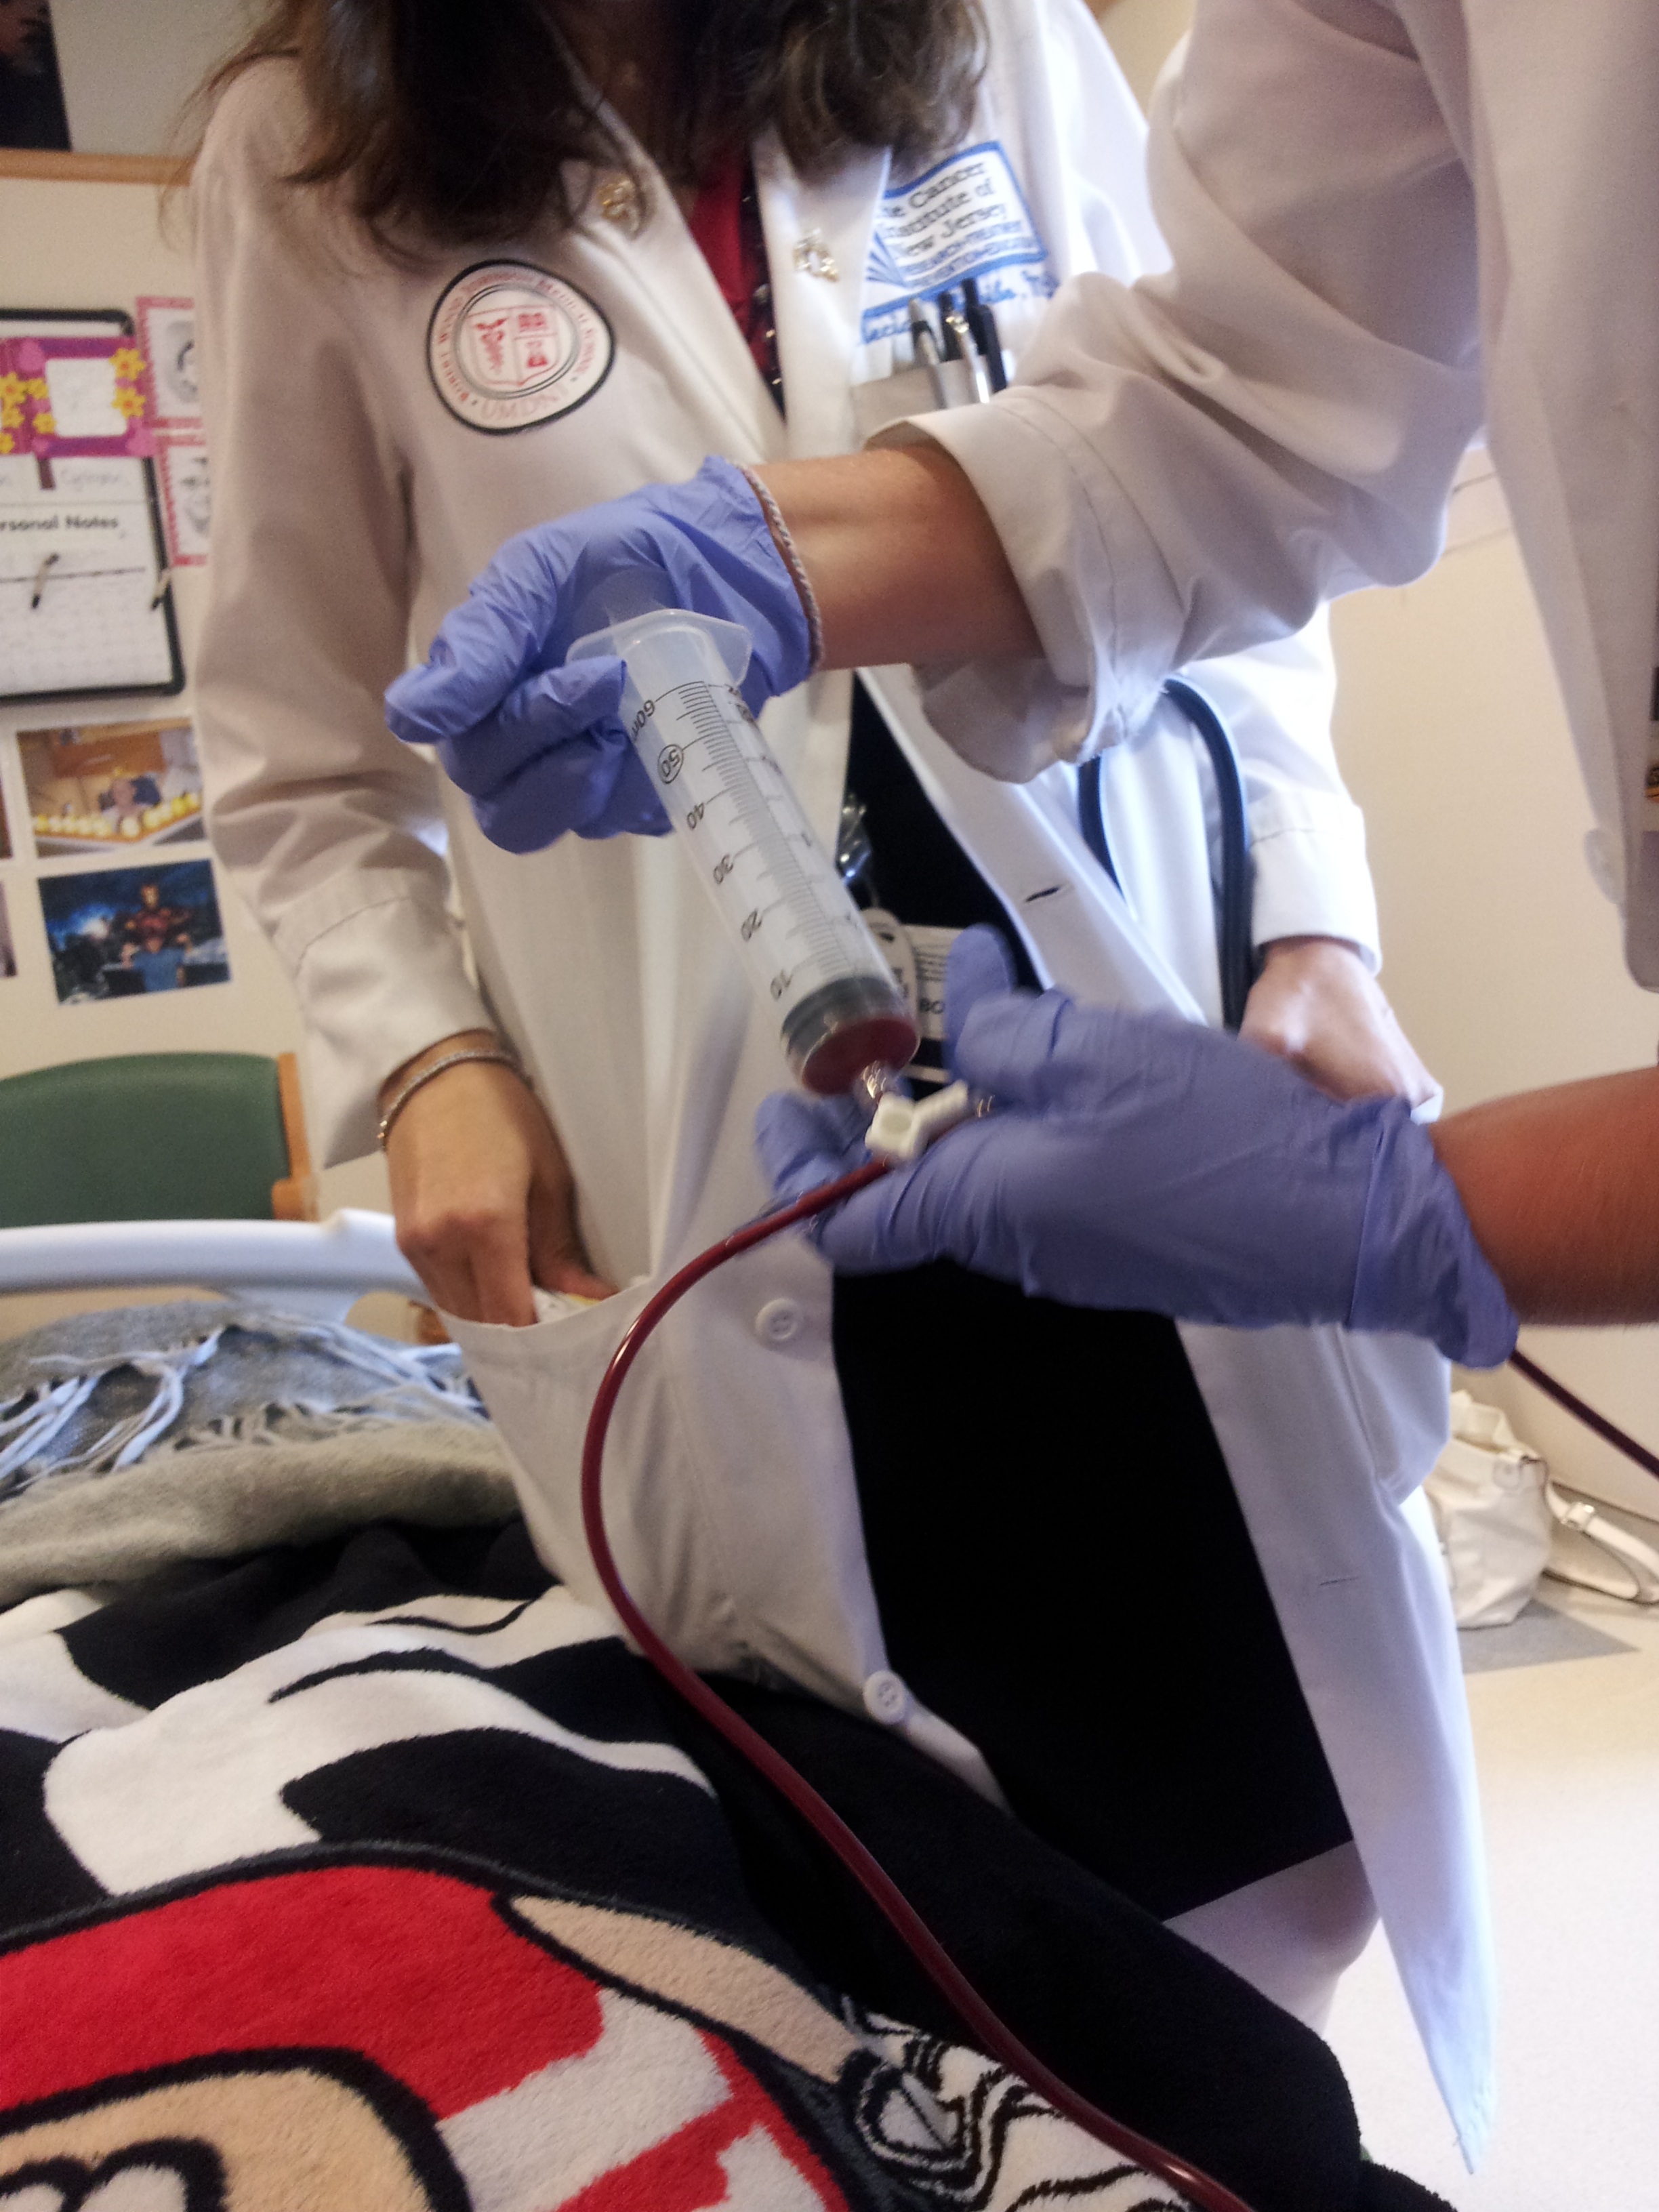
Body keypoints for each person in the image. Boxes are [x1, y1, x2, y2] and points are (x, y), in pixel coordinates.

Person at [197, 0, 1486, 2155]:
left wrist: (1315, 924)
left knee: (1274, 1829)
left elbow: (1227, 498)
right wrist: (426, 1057)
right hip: (724, 1167)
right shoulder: (311, 144)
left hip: (1133, 1081)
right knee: (893, 1924)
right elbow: (300, 754)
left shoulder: (997, 34)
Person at [392, 0, 1659, 1354]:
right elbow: (1242, 409)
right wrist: (775, 555)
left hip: (1135, 1002)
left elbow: (1257, 516)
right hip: (702, 1089)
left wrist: (1399, 1179)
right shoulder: (319, 142)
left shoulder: (1005, 31)